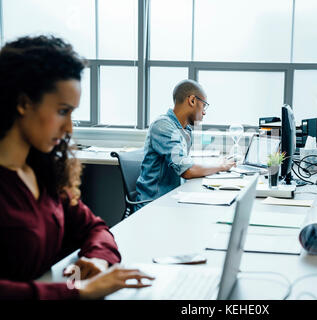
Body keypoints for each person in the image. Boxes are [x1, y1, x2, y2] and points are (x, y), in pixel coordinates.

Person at [0, 35, 153, 300]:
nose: (70, 128)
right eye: (62, 111)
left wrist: (99, 260)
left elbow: (95, 228)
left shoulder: (43, 173)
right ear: (24, 103)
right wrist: (78, 292)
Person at [135, 80, 236, 206]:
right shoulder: (162, 126)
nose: (204, 112)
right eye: (204, 106)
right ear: (192, 100)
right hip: (153, 204)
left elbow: (186, 163)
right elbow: (187, 170)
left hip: (173, 198)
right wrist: (221, 166)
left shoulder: (185, 130)